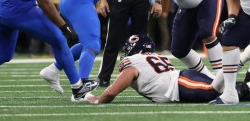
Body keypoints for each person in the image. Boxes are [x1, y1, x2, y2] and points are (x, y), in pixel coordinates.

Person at [86, 34, 220, 104]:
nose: (126, 53)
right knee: (223, 89)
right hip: (184, 79)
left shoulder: (133, 62)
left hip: (180, 84)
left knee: (217, 92)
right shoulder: (154, 56)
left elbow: (111, 93)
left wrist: (98, 100)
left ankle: (235, 63)